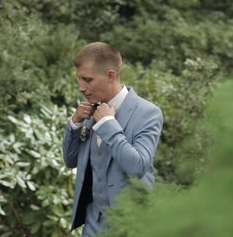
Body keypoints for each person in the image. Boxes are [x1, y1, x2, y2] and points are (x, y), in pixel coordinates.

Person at [61, 42, 163, 236]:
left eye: (87, 80)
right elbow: (70, 160)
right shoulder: (90, 111)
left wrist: (108, 123)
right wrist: (74, 124)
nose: (81, 88)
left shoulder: (147, 113)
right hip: (93, 223)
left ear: (110, 76)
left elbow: (138, 166)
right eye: (79, 80)